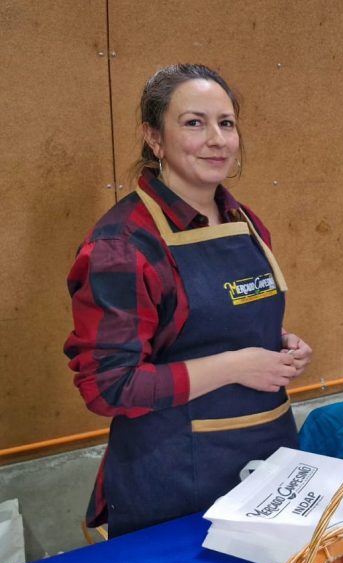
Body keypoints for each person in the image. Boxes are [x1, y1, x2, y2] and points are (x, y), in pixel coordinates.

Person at [64, 64, 312, 536]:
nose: (217, 139)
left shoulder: (244, 222)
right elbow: (109, 386)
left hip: (267, 459)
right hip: (174, 481)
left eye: (226, 123)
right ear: (154, 138)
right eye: (194, 123)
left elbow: (209, 326)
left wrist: (279, 344)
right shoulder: (122, 246)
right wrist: (237, 366)